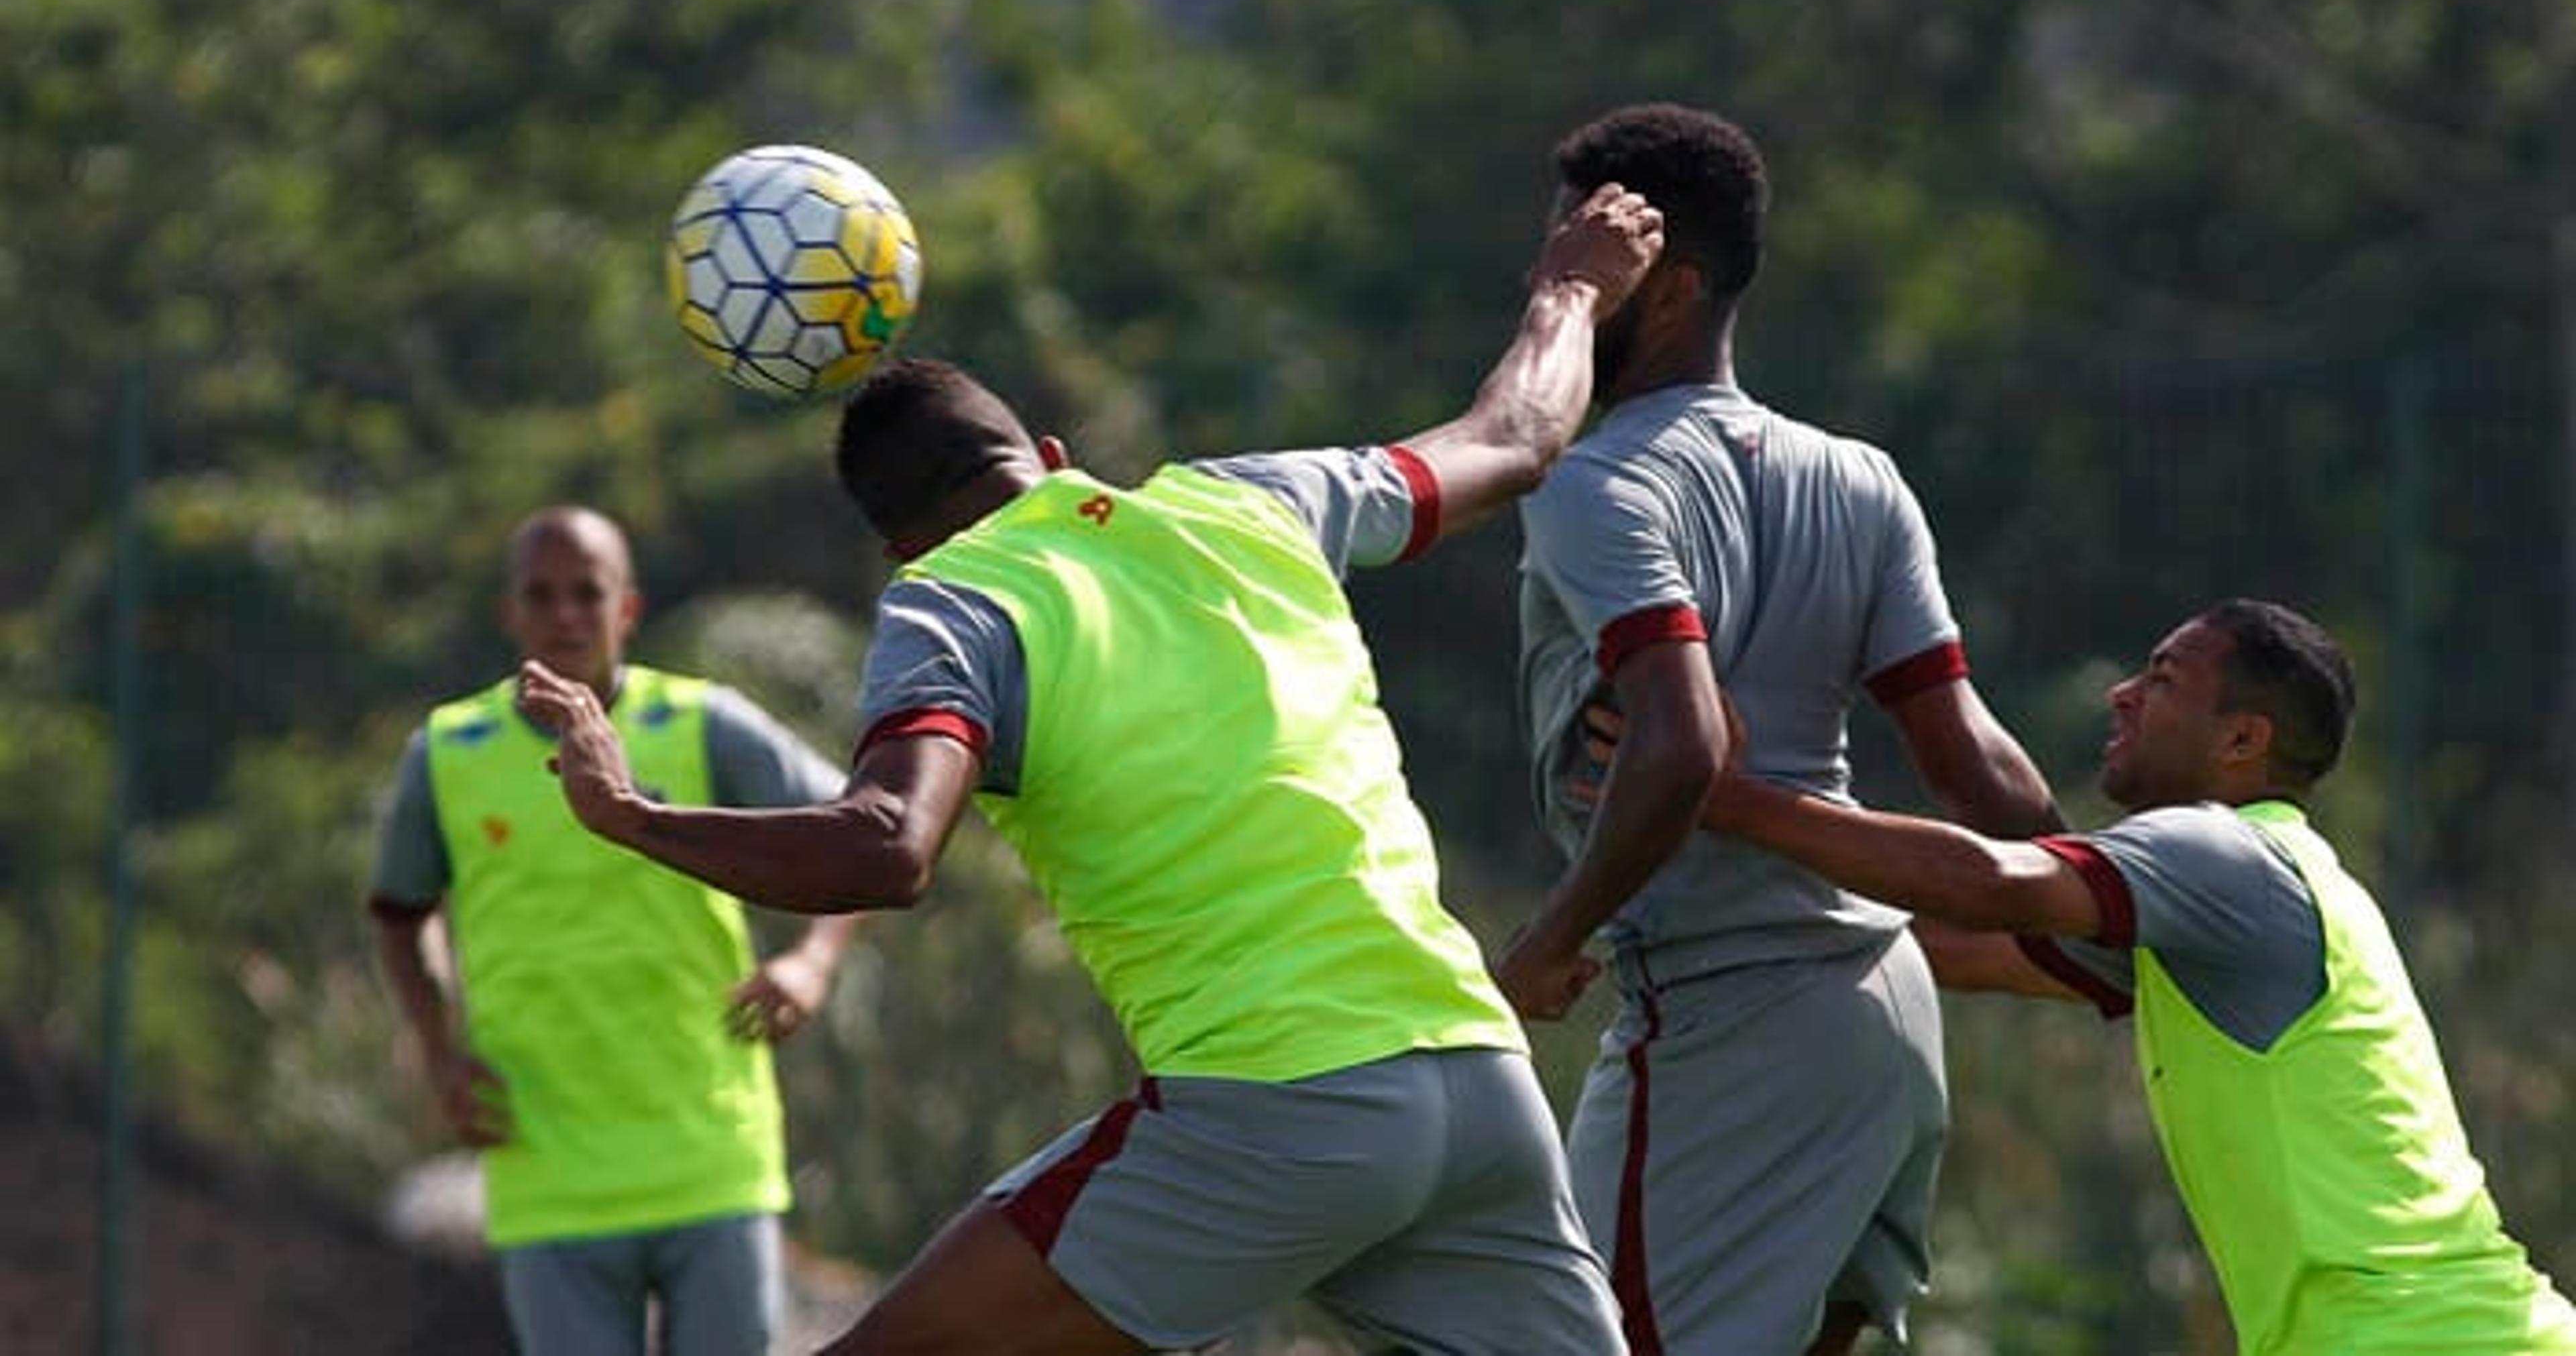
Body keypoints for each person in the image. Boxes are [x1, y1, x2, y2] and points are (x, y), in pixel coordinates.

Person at [511, 182, 1664, 1356]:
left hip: (1277, 1103)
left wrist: (634, 813)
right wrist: (1572, 286)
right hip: (1478, 1085)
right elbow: (1518, 438)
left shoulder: (954, 599)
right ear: (1055, 463)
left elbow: (887, 846)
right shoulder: (1255, 502)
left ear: (897, 544)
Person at [1495, 102, 2065, 1355]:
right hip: (1885, 1023)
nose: (1559, 293)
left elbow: (1685, 746)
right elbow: (1973, 759)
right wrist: (2101, 913)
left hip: (1726, 1025)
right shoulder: (1860, 475)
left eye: (1590, 270)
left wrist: (1548, 939)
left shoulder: (1601, 483)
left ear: (1677, 287)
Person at [1667, 598, 2576, 1353]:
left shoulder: (2221, 854)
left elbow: (1987, 885)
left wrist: (1730, 796)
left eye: (2164, 679)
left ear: (2242, 740)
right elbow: (1946, 948)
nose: (2123, 694)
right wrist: (1708, 913)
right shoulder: (2253, 901)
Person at [369, 505, 857, 1356]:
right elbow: (399, 915)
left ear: (626, 607)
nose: (565, 615)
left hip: (710, 1156)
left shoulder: (703, 723)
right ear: (509, 613)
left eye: (586, 593)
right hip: (545, 1168)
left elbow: (860, 835)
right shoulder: (449, 752)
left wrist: (813, 960)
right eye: (541, 595)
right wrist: (437, 1051)